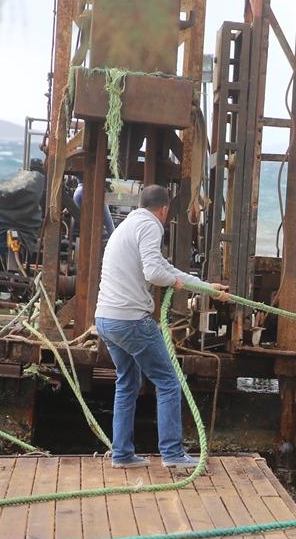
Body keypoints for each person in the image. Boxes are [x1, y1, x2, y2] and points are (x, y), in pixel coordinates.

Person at [94, 184, 229, 468]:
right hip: (131, 320)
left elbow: (164, 268)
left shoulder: (127, 225)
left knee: (127, 382)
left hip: (106, 319)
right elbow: (155, 273)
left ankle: (122, 454)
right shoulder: (151, 226)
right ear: (164, 210)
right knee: (168, 382)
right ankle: (173, 454)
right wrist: (175, 282)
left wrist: (206, 288)